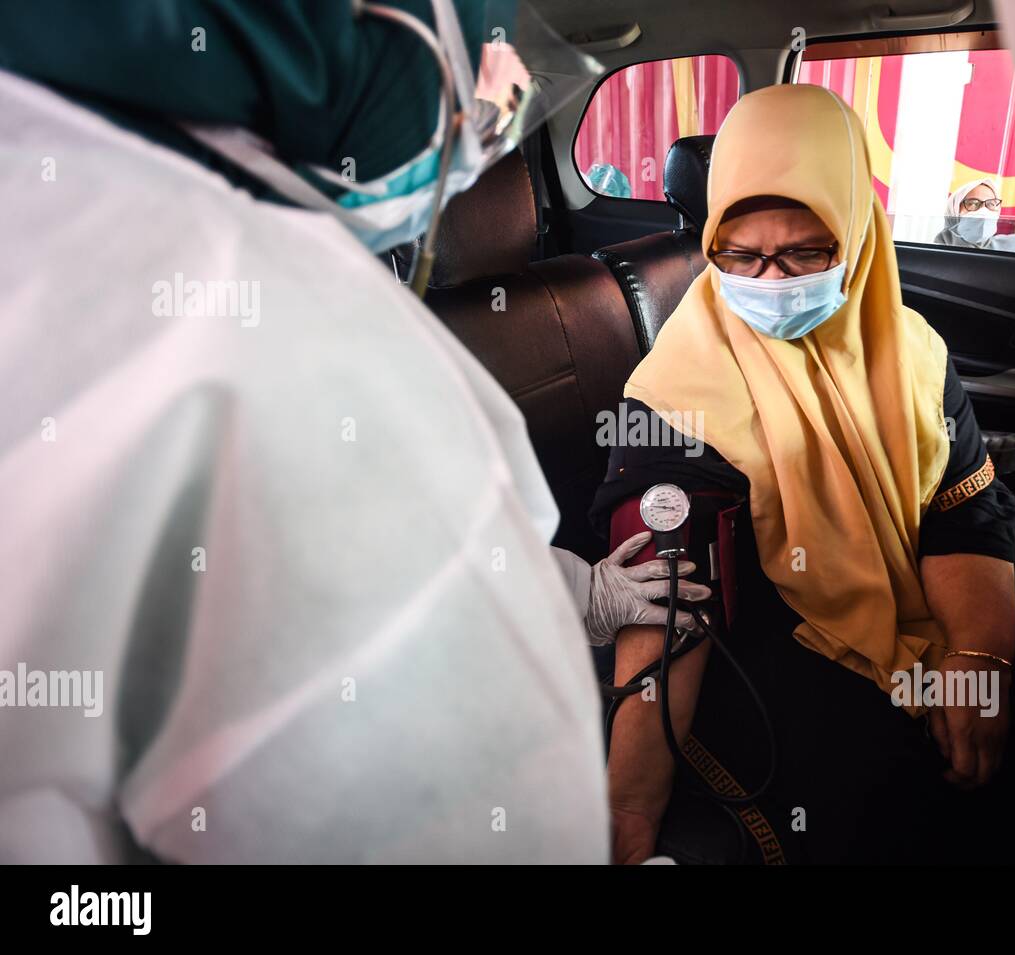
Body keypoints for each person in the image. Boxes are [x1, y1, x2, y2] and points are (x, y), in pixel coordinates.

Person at [0, 1, 701, 863]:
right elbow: (465, 803)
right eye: (481, 57)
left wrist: (580, 594)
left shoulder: (55, 200)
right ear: (372, 35)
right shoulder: (277, 321)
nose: (506, 95)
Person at [592, 84, 1015, 865]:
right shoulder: (676, 394)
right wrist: (626, 813)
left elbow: (966, 512)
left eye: (804, 253)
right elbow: (667, 606)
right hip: (766, 630)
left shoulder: (915, 353)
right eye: (741, 254)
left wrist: (975, 657)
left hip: (920, 597)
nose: (771, 279)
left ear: (856, 236)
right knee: (878, 792)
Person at [935, 177, 1015, 254]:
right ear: (954, 211)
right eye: (973, 203)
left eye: (991, 204)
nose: (983, 210)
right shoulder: (934, 252)